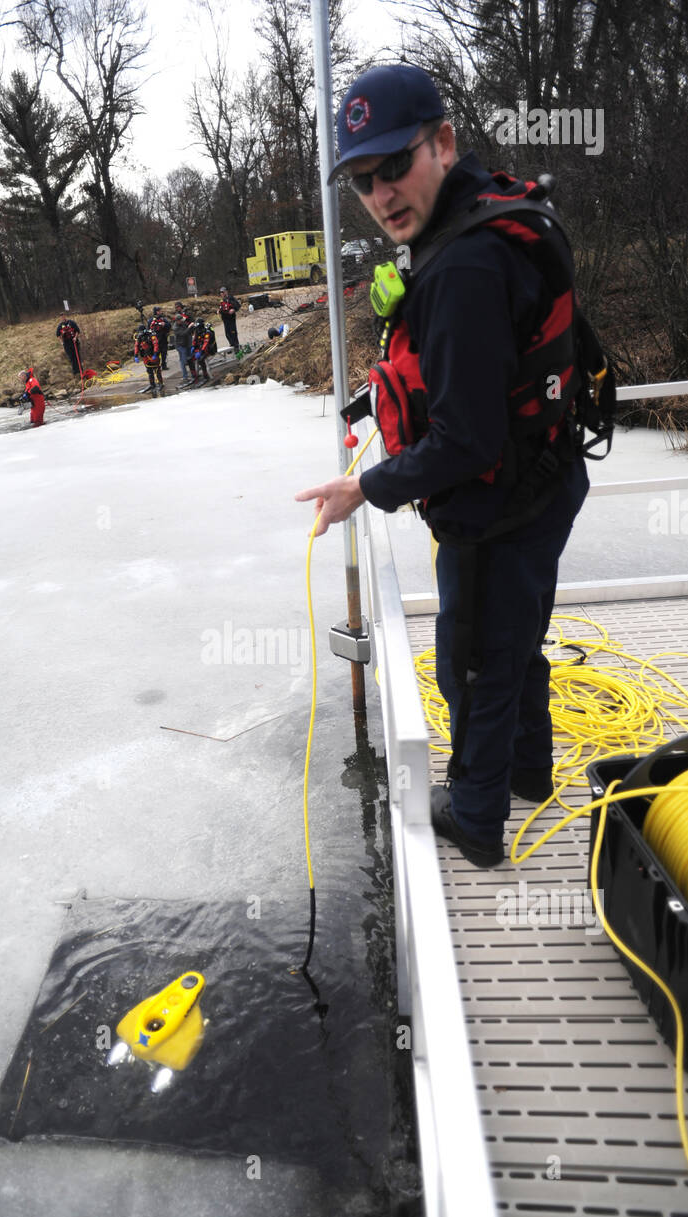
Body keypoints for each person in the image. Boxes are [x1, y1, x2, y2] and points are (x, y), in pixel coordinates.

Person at [295, 63, 589, 869]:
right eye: (362, 180)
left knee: (476, 664)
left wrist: (367, 486)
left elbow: (466, 441)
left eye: (394, 167)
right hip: (550, 477)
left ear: (443, 143)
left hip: (502, 506)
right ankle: (528, 772)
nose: (381, 193)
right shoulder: (482, 211)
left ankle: (478, 821)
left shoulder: (460, 265)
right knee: (516, 640)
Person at [133, 325, 165, 396]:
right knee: (149, 371)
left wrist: (156, 353)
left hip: (153, 354)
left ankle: (161, 383)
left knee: (157, 370)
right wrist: (135, 355)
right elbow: (136, 346)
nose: (140, 333)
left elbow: (156, 344)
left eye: (141, 331)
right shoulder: (139, 337)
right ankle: (152, 384)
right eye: (140, 332)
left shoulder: (151, 335)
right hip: (145, 356)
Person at [171, 304, 198, 385]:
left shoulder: (183, 323)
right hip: (180, 346)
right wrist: (189, 327)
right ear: (177, 321)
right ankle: (185, 376)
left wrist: (193, 327)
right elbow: (184, 333)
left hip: (187, 343)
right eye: (181, 320)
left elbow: (189, 329)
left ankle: (194, 374)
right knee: (183, 361)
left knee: (190, 359)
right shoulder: (175, 328)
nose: (183, 321)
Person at [190, 318, 214, 383]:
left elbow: (206, 343)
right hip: (199, 349)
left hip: (208, 349)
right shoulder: (197, 331)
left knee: (201, 360)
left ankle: (206, 376)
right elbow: (195, 340)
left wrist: (201, 351)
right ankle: (194, 376)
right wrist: (193, 347)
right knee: (189, 359)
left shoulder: (207, 332)